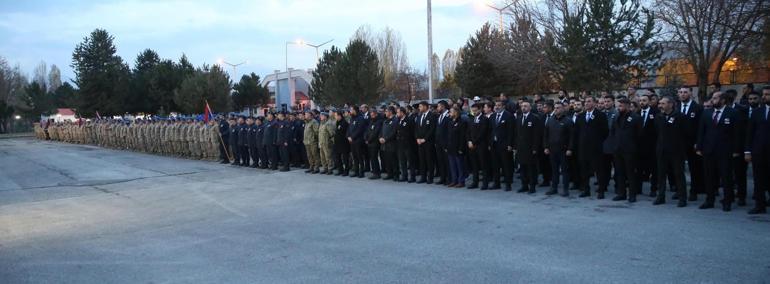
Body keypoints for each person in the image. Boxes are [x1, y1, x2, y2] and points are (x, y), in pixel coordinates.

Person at [696, 91, 741, 211]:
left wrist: (736, 150)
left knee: (726, 177)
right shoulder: (706, 113)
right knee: (709, 176)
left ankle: (727, 201)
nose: (712, 100)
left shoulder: (733, 113)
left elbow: (737, 133)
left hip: (725, 151)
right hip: (708, 150)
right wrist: (699, 147)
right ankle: (709, 200)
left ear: (723, 100)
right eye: (712, 98)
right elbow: (701, 131)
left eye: (715, 98)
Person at [653, 96, 689, 207]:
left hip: (676, 151)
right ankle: (661, 196)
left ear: (671, 104)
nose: (660, 106)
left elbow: (685, 134)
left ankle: (682, 197)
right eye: (660, 103)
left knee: (678, 174)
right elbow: (657, 132)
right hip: (662, 150)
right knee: (661, 174)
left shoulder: (680, 116)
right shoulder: (659, 116)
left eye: (663, 103)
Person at [574, 96, 609, 198]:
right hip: (583, 148)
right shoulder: (581, 116)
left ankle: (601, 191)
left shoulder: (600, 115)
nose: (586, 103)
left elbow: (605, 131)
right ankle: (586, 189)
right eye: (585, 102)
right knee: (584, 170)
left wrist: (597, 141)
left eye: (589, 101)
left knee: (599, 170)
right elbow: (576, 132)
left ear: (594, 103)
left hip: (596, 148)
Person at [610, 98, 642, 202]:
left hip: (630, 150)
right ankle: (621, 193)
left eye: (621, 106)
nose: (619, 108)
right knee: (619, 172)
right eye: (618, 106)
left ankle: (632, 195)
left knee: (630, 173)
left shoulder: (636, 118)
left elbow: (640, 135)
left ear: (628, 106)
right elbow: (613, 132)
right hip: (618, 150)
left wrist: (635, 147)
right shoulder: (616, 117)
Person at [745, 86, 770, 214]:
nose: (765, 97)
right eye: (764, 94)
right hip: (758, 151)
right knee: (759, 179)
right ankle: (760, 205)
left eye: (767, 94)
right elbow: (750, 133)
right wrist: (748, 151)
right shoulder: (757, 112)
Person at [543, 101, 574, 196]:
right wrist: (546, 146)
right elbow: (546, 135)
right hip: (552, 149)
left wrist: (570, 148)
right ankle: (554, 188)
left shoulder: (568, 121)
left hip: (564, 150)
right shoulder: (550, 120)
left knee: (565, 170)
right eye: (555, 108)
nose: (556, 109)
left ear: (563, 109)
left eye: (558, 108)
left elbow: (572, 137)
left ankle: (565, 189)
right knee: (554, 170)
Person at [677, 87, 703, 201]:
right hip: (678, 144)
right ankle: (680, 191)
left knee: (694, 169)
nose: (683, 94)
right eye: (681, 92)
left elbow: (700, 128)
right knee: (678, 169)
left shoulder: (697, 108)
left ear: (691, 94)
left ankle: (694, 191)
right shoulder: (676, 107)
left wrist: (698, 142)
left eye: (685, 92)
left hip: (692, 144)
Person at [514, 101, 543, 193]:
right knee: (522, 168)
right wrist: (515, 146)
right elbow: (516, 134)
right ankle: (524, 185)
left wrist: (535, 148)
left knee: (531, 168)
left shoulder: (534, 118)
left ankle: (532, 186)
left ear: (530, 108)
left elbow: (537, 135)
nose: (523, 108)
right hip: (521, 148)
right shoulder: (518, 118)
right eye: (522, 106)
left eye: (525, 106)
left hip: (530, 148)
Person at [638, 94, 659, 196]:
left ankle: (653, 189)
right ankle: (638, 189)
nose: (642, 102)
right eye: (641, 100)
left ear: (649, 102)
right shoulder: (636, 113)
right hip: (639, 147)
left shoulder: (656, 113)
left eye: (644, 100)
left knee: (654, 169)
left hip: (652, 146)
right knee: (638, 169)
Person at [492, 100, 515, 191]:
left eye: (499, 105)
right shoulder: (493, 116)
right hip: (494, 144)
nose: (497, 107)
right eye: (496, 105)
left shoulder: (509, 116)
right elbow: (491, 130)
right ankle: (496, 183)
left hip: (505, 145)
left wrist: (510, 144)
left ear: (503, 106)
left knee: (506, 165)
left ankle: (508, 184)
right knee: (495, 165)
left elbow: (511, 132)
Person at [467, 103, 491, 189]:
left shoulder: (484, 119)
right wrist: (469, 141)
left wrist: (474, 142)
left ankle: (485, 183)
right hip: (472, 146)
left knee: (484, 165)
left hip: (481, 145)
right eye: (472, 110)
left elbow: (482, 132)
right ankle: (475, 182)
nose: (474, 112)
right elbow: (468, 131)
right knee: (474, 165)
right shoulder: (472, 118)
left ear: (480, 109)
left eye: (475, 110)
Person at [415, 101, 437, 184]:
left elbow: (432, 129)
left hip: (428, 142)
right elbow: (416, 128)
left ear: (425, 107)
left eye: (420, 106)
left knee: (429, 160)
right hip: (419, 142)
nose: (419, 108)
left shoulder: (432, 116)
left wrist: (425, 139)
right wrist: (417, 138)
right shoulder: (419, 115)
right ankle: (423, 177)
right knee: (422, 160)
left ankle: (430, 177)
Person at [446, 106, 468, 188]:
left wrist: (461, 148)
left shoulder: (462, 122)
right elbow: (448, 135)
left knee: (460, 165)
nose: (449, 113)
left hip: (458, 147)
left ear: (456, 112)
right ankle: (454, 180)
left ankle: (461, 181)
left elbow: (463, 136)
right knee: (452, 165)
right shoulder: (450, 122)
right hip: (451, 147)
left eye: (451, 112)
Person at [396, 107, 417, 182]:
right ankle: (404, 176)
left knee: (410, 162)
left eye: (398, 112)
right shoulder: (398, 120)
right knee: (402, 161)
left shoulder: (409, 120)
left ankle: (412, 177)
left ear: (402, 113)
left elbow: (412, 132)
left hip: (408, 144)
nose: (397, 114)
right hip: (400, 144)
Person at [347, 106, 367, 178]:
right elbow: (349, 128)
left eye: (351, 110)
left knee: (359, 157)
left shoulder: (361, 118)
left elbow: (360, 129)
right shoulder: (352, 118)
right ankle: (356, 171)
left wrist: (352, 137)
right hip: (352, 141)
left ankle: (361, 172)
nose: (350, 111)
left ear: (355, 110)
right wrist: (348, 136)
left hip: (358, 140)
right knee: (354, 156)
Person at [379, 107, 399, 181]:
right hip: (384, 144)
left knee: (393, 160)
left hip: (391, 144)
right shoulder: (385, 121)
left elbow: (394, 132)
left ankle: (396, 175)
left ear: (390, 112)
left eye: (386, 111)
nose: (385, 113)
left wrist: (386, 139)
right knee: (387, 160)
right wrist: (380, 137)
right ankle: (389, 174)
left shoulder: (395, 120)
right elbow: (381, 131)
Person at [434, 101, 451, 185]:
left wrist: (447, 144)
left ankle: (449, 178)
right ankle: (443, 177)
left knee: (447, 162)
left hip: (446, 143)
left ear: (443, 106)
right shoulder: (440, 116)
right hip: (439, 143)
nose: (437, 108)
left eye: (438, 106)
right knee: (441, 161)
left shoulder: (448, 115)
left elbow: (449, 131)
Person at [364, 109, 383, 179]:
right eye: (371, 115)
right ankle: (374, 171)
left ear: (376, 114)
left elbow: (376, 132)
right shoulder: (371, 121)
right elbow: (367, 130)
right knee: (372, 158)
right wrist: (365, 138)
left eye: (373, 115)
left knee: (374, 157)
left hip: (374, 142)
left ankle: (376, 173)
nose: (371, 116)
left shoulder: (379, 122)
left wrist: (369, 140)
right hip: (369, 142)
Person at [333, 110, 351, 176]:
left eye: (336, 115)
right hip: (337, 143)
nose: (335, 117)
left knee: (345, 158)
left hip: (344, 143)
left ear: (339, 116)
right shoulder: (337, 122)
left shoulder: (344, 123)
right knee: (337, 157)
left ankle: (346, 171)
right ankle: (340, 170)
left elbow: (346, 133)